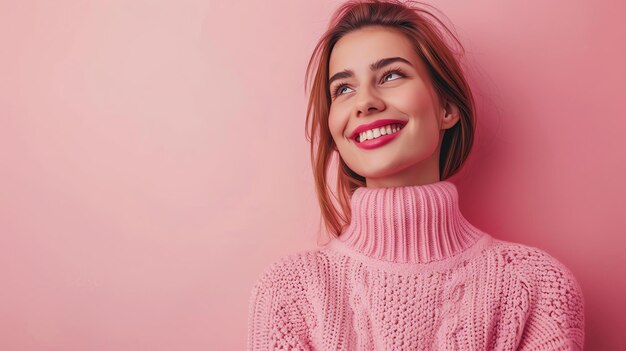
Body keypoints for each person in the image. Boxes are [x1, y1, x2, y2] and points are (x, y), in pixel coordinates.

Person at [246, 0, 585, 350]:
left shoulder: (536, 285)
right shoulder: (288, 290)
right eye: (343, 89)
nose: (365, 102)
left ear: (447, 108)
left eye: (391, 75)